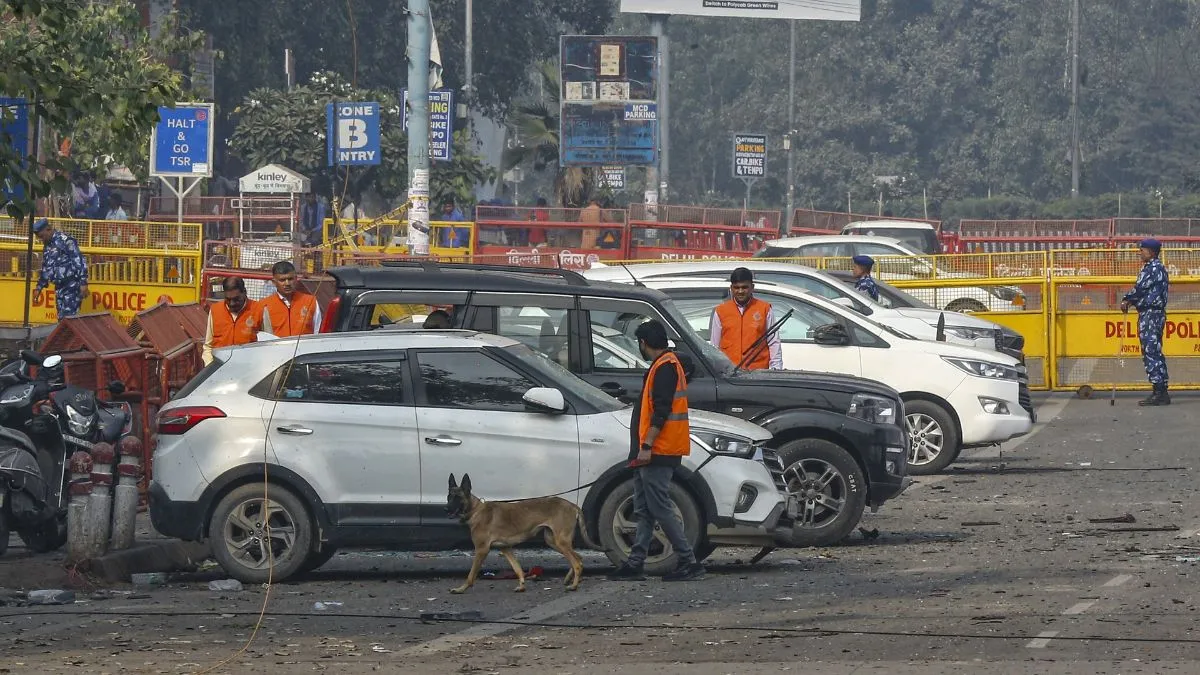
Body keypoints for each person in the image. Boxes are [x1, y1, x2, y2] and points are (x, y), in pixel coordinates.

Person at [607, 319, 706, 583]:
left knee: (659, 507)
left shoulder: (664, 368)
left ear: (643, 343)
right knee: (644, 508)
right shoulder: (663, 366)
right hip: (650, 450)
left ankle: (688, 561)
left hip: (658, 451)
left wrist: (647, 446)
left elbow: (661, 412)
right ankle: (636, 561)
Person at [1121, 238, 1170, 406]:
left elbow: (1140, 289)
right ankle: (1160, 390)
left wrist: (1127, 299)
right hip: (1149, 313)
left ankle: (1160, 391)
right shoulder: (1151, 268)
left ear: (1152, 252)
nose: (1140, 252)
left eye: (1143, 250)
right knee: (1152, 351)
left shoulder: (1154, 268)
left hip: (1151, 313)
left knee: (1151, 351)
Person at [709, 268, 783, 370]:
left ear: (752, 287)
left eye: (744, 287)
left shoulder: (764, 309)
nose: (740, 291)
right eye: (736, 287)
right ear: (731, 288)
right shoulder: (721, 311)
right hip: (730, 373)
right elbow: (715, 346)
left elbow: (773, 342)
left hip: (758, 373)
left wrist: (776, 369)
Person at [32, 218, 89, 319]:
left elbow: (79, 261)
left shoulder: (66, 241)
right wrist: (39, 287)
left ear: (48, 229)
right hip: (59, 287)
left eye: (42, 236)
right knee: (61, 319)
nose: (42, 239)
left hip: (71, 286)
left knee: (70, 319)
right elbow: (46, 268)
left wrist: (83, 283)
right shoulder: (47, 245)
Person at [202, 276, 260, 365]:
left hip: (249, 370)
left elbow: (268, 344)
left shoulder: (259, 310)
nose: (232, 304)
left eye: (236, 299)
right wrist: (210, 365)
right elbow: (208, 345)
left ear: (244, 292)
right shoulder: (215, 310)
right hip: (219, 369)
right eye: (228, 299)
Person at [260, 260, 322, 338]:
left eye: (290, 279)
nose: (287, 283)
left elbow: (317, 331)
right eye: (282, 280)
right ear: (274, 282)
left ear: (296, 279)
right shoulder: (264, 305)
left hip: (305, 348)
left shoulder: (310, 301)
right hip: (277, 349)